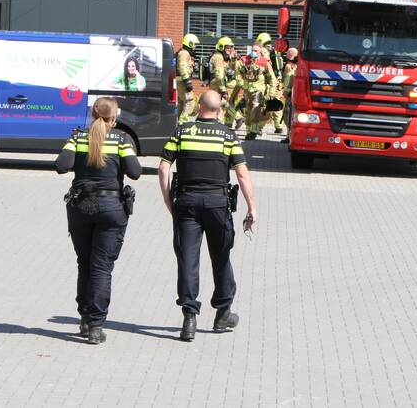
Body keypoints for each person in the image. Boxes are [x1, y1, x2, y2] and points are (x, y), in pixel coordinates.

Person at [157, 90, 257, 341]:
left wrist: (168, 199)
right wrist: (251, 207)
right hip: (217, 204)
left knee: (188, 260)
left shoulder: (182, 131)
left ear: (199, 106)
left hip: (186, 202)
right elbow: (242, 174)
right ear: (220, 109)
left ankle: (189, 318)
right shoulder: (228, 135)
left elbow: (163, 166)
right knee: (221, 257)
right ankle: (223, 313)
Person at [55, 97, 141, 345]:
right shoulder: (122, 140)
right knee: (102, 266)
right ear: (113, 118)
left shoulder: (78, 137)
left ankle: (84, 317)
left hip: (81, 206)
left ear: (93, 115)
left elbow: (61, 165)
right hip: (111, 208)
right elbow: (135, 172)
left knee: (85, 262)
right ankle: (95, 325)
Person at [240, 41, 277, 140]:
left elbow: (272, 78)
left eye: (256, 51)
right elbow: (238, 72)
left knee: (256, 108)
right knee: (247, 110)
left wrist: (272, 92)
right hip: (248, 90)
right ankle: (248, 131)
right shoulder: (245, 60)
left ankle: (254, 131)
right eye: (252, 50)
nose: (253, 52)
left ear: (260, 52)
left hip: (259, 90)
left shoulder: (264, 62)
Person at [255, 33, 286, 135]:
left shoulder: (264, 51)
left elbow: (264, 65)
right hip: (277, 80)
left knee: (267, 105)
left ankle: (259, 127)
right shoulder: (274, 50)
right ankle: (279, 126)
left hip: (270, 82)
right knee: (275, 103)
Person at [177, 35, 198, 123]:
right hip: (182, 81)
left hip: (180, 80)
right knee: (190, 101)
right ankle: (183, 122)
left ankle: (179, 125)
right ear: (190, 43)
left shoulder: (184, 53)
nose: (195, 47)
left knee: (182, 103)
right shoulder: (184, 53)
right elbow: (182, 66)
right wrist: (187, 81)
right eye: (194, 45)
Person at [279, 47, 298, 143]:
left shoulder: (290, 67)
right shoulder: (289, 66)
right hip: (291, 94)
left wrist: (285, 94)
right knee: (287, 115)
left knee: (288, 115)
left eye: (289, 54)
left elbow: (287, 82)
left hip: (291, 95)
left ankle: (289, 136)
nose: (287, 55)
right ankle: (288, 135)